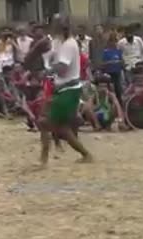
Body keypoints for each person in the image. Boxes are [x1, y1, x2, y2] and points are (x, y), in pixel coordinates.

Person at [38, 14, 93, 166]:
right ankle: (85, 154)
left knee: (47, 123)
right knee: (60, 128)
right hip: (62, 89)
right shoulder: (57, 42)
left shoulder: (69, 44)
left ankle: (44, 158)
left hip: (68, 89)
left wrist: (47, 71)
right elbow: (49, 57)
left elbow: (62, 68)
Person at [103, 32, 124, 104]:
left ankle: (119, 103)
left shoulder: (118, 51)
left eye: (115, 41)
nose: (114, 43)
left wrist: (120, 63)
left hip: (117, 72)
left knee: (118, 89)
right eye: (112, 41)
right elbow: (104, 63)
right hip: (109, 73)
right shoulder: (106, 52)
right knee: (110, 89)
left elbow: (121, 61)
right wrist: (111, 62)